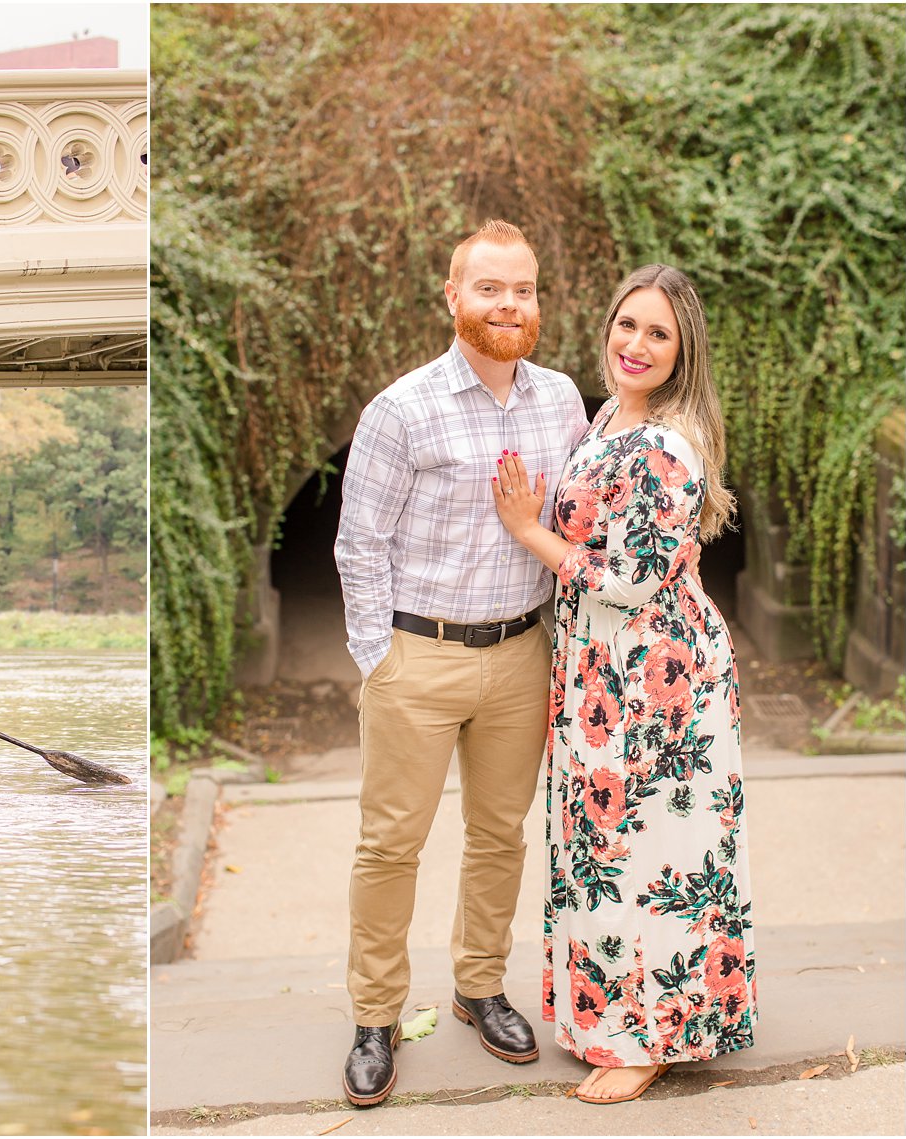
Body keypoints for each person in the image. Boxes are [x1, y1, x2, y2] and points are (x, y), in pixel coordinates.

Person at [333, 220, 589, 1107]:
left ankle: (480, 988)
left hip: (522, 653)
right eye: (489, 288)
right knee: (390, 844)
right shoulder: (401, 409)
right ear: (453, 297)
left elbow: (576, 523)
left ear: (537, 301)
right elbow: (357, 546)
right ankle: (376, 1015)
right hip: (420, 656)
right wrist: (382, 660)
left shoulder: (561, 400)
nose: (507, 304)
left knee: (499, 835)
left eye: (522, 289)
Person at [490, 264, 755, 1104]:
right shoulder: (611, 415)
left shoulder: (666, 442)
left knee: (647, 853)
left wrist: (527, 530)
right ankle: (610, 1017)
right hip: (602, 671)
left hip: (653, 682)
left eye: (658, 334)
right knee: (605, 849)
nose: (635, 345)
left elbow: (633, 577)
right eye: (627, 325)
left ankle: (649, 1039)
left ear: (683, 353)